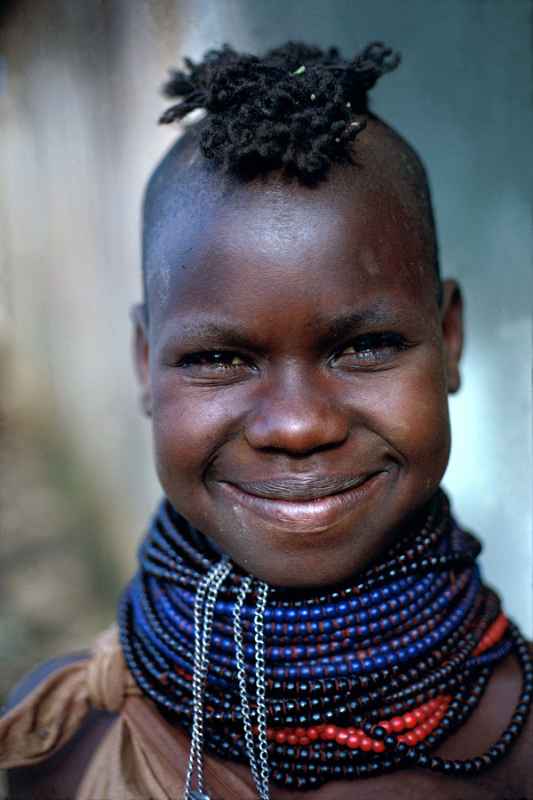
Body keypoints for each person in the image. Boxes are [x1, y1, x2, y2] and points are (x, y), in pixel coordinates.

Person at [1, 41, 531, 800]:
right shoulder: (68, 743)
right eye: (219, 358)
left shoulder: (520, 741)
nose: (296, 426)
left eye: (366, 346)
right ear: (143, 362)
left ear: (446, 340)